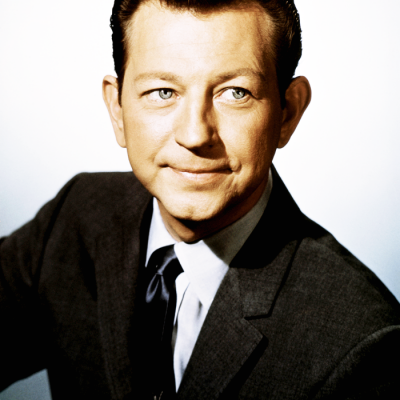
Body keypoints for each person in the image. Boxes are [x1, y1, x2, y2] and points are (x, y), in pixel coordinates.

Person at [1, 0, 399, 399]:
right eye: (163, 92)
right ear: (117, 108)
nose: (194, 135)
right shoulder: (75, 216)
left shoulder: (365, 349)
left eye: (235, 93)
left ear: (287, 113)